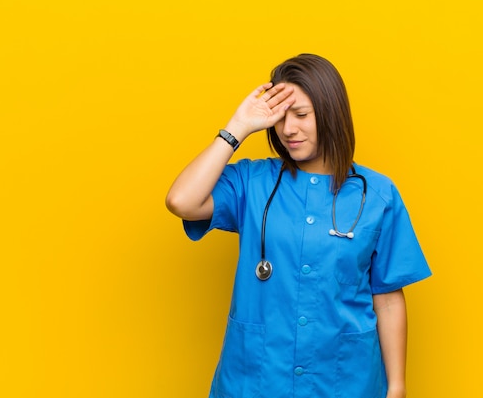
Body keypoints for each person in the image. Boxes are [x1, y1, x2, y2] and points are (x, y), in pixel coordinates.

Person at [166, 53, 431, 398]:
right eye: (279, 117)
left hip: (343, 380)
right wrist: (237, 127)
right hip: (258, 379)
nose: (288, 129)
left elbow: (388, 297)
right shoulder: (251, 181)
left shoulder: (378, 194)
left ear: (331, 113)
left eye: (302, 115)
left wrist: (396, 386)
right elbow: (181, 201)